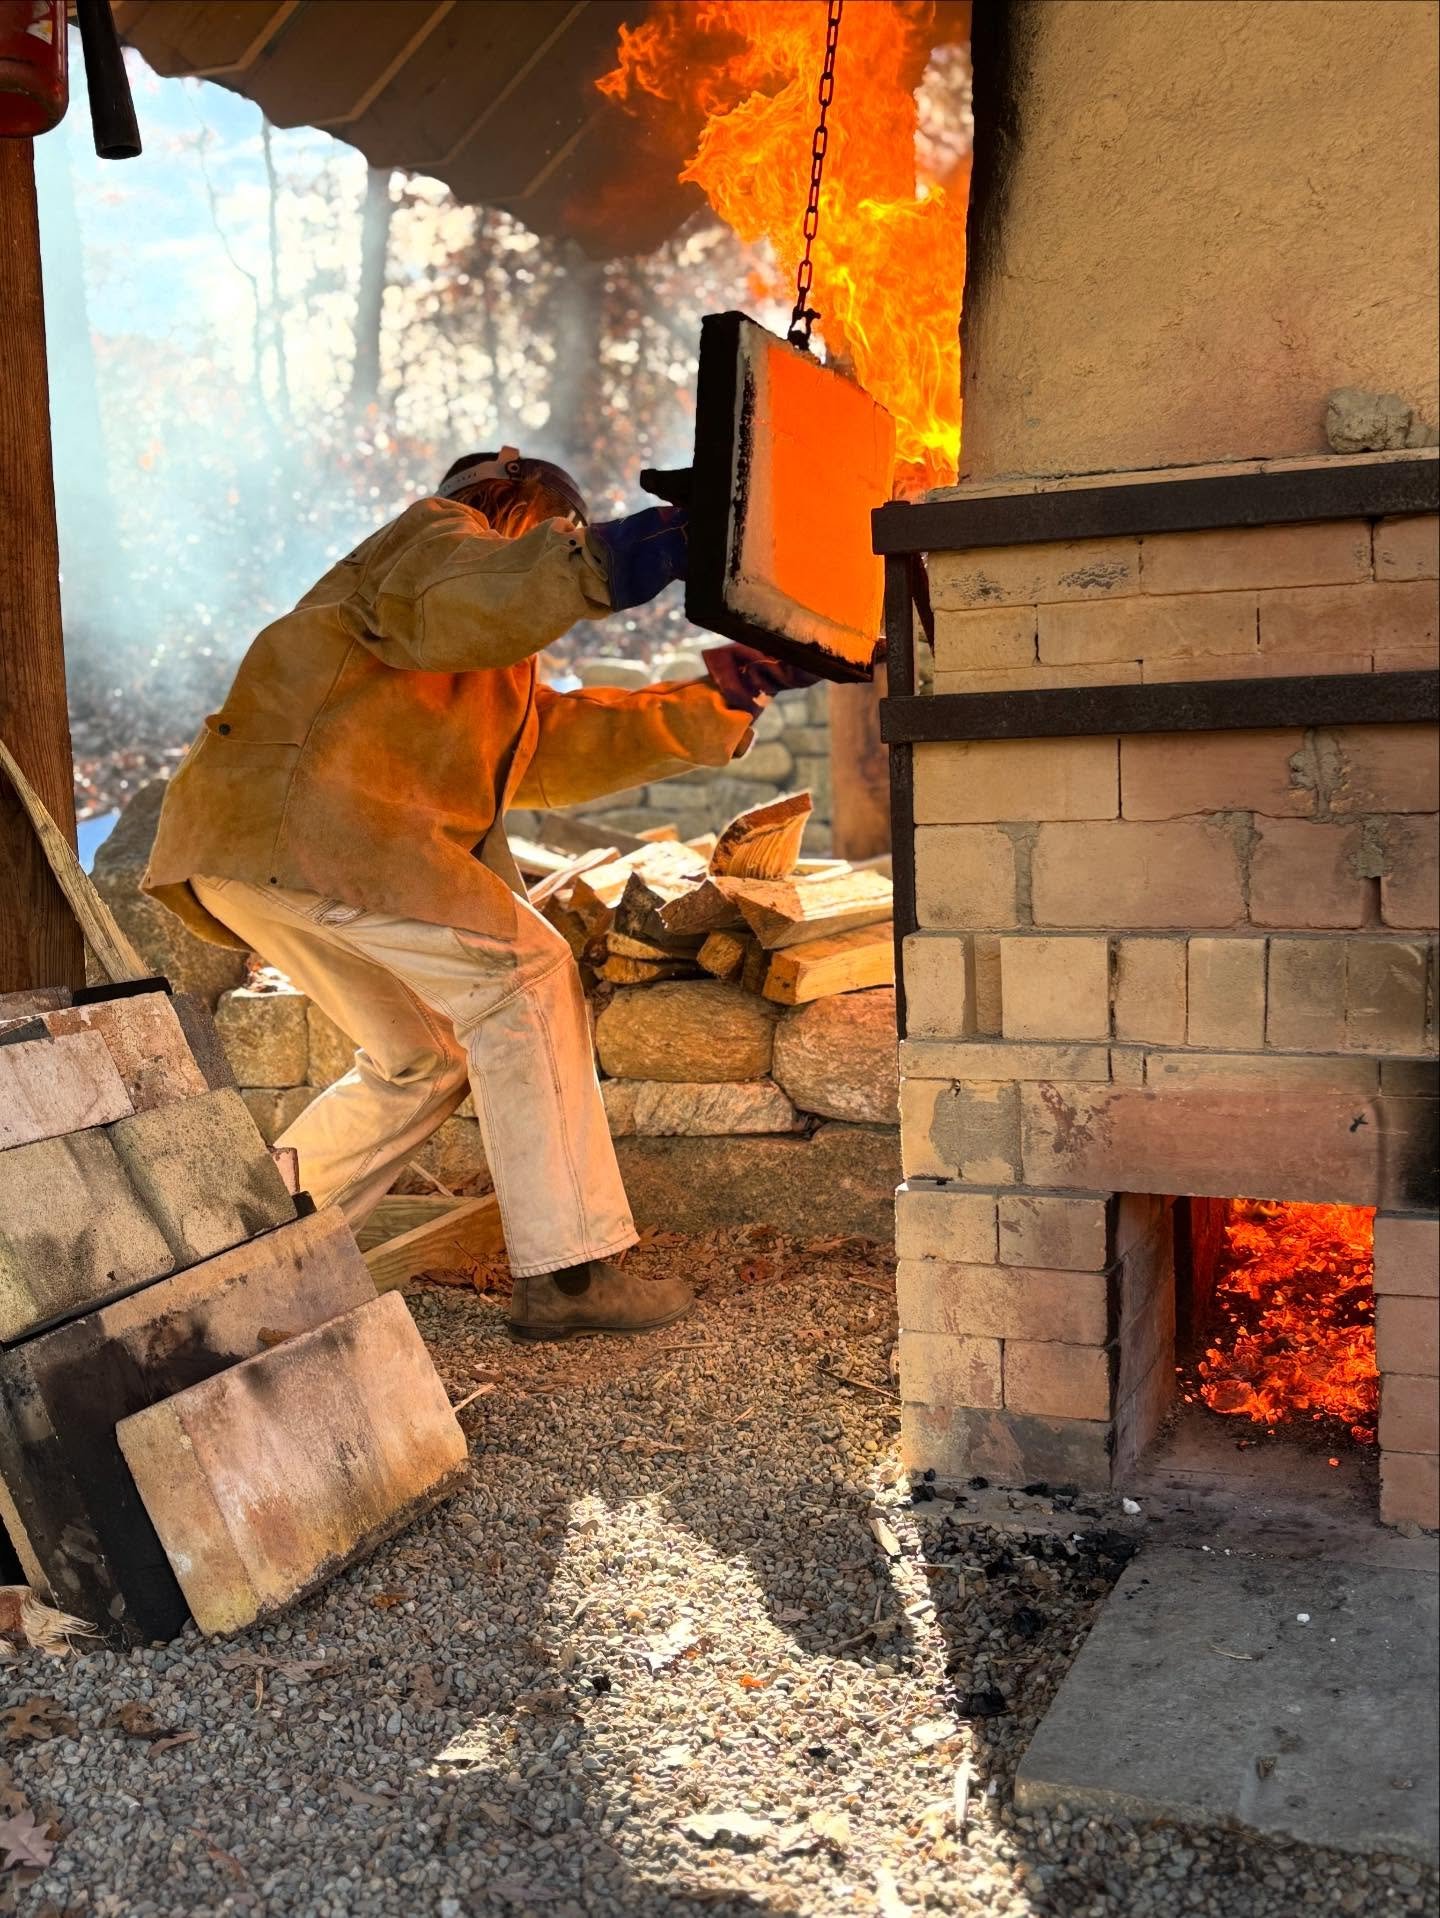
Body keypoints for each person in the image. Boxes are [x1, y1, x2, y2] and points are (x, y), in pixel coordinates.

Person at [144, 447, 814, 1338]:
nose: (564, 559)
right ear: (513, 508)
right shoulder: (430, 540)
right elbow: (490, 589)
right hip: (307, 831)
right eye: (559, 538)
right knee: (527, 974)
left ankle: (226, 1247)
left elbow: (550, 747)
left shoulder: (460, 650)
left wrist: (730, 693)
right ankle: (572, 1276)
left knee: (423, 1059)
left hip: (258, 848)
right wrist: (632, 550)